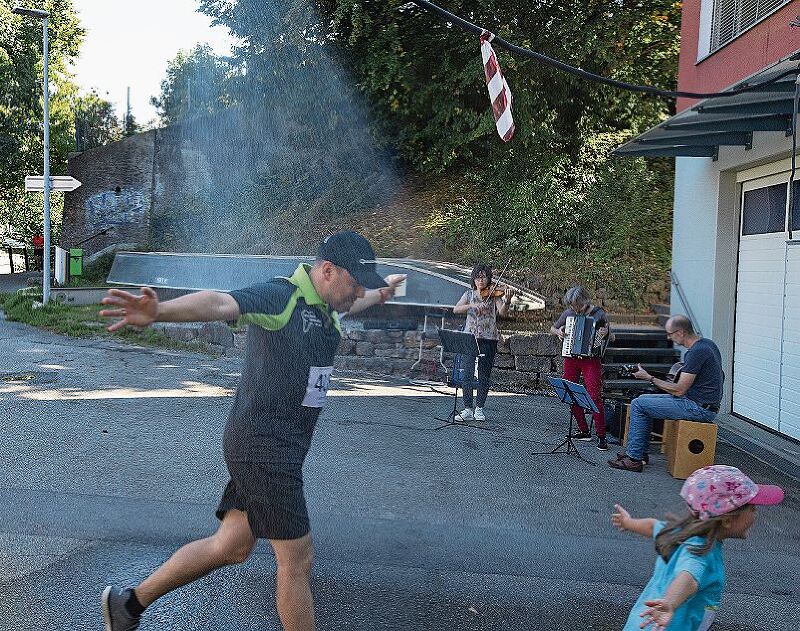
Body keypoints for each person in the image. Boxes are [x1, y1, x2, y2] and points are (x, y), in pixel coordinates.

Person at [97, 231, 405, 631]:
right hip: (263, 445)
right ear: (327, 271)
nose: (359, 291)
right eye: (356, 282)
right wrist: (159, 312)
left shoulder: (329, 306)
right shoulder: (282, 296)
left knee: (231, 545)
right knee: (297, 558)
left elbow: (356, 299)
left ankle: (128, 605)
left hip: (278, 446)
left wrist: (382, 293)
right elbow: (222, 302)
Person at [611, 464, 784, 630]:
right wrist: (670, 603)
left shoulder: (681, 531)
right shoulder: (701, 553)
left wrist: (629, 523)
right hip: (663, 625)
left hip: (643, 621)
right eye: (752, 509)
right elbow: (688, 578)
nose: (756, 514)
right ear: (727, 519)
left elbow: (652, 526)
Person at [609, 314, 723, 472]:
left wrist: (649, 377)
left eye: (670, 334)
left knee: (638, 404)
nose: (669, 337)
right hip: (704, 404)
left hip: (698, 408)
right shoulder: (708, 344)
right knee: (643, 400)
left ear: (680, 332)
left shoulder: (696, 352)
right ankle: (639, 453)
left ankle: (634, 458)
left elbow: (679, 389)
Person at [550, 286, 610, 450]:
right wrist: (559, 332)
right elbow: (553, 328)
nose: (576, 310)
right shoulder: (569, 314)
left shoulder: (598, 314)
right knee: (570, 393)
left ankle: (601, 435)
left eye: (579, 306)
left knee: (594, 396)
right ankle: (584, 430)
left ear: (586, 301)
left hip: (591, 360)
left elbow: (606, 338)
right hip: (571, 357)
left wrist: (603, 334)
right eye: (573, 306)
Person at [452, 262, 514, 422]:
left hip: (488, 338)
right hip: (470, 338)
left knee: (484, 374)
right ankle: (467, 408)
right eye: (478, 277)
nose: (481, 280)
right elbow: (456, 309)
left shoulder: (495, 296)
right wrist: (472, 304)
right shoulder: (468, 295)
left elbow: (503, 312)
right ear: (473, 279)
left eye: (484, 277)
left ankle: (479, 408)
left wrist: (507, 300)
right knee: (467, 373)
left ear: (488, 279)